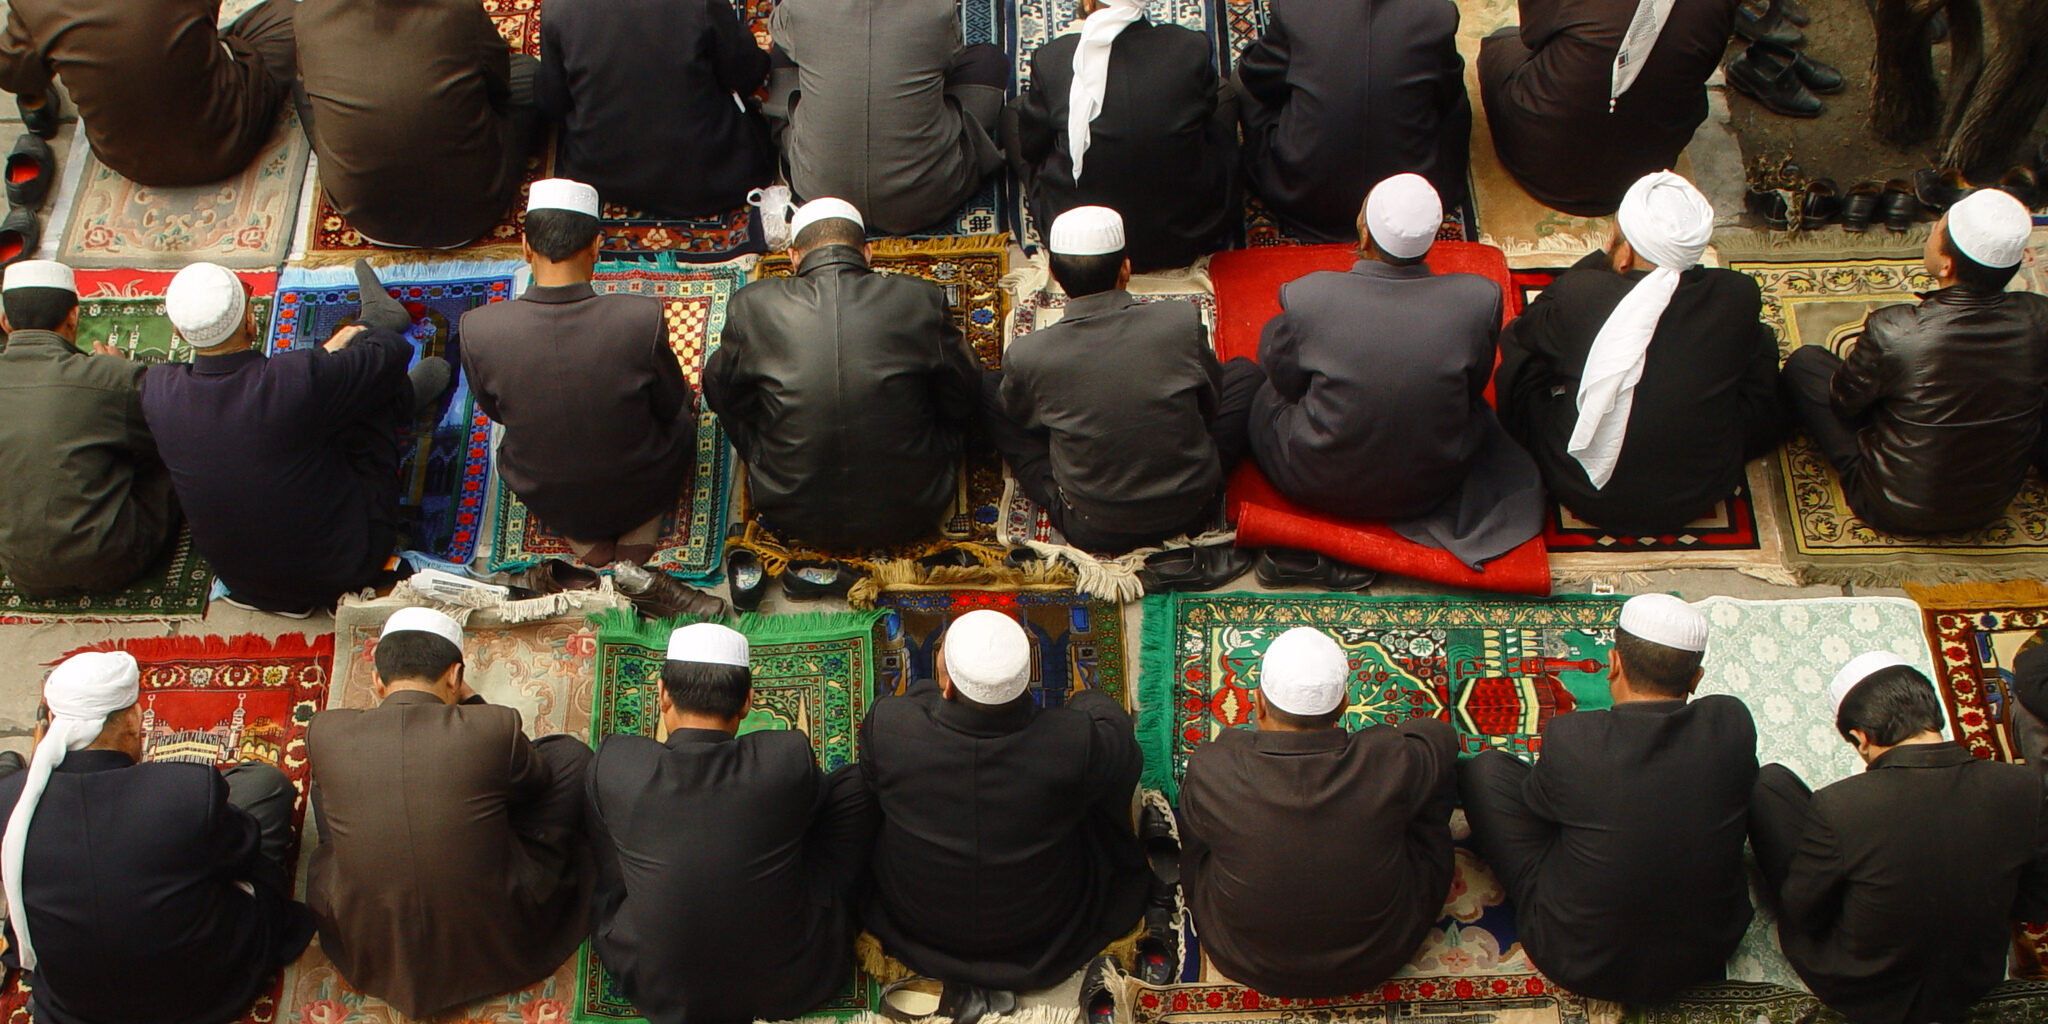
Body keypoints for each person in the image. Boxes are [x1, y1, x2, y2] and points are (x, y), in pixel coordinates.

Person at [1459, 594, 1757, 1004]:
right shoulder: (1732, 721)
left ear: (1613, 663)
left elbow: (1538, 807)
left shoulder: (1574, 738)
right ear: (1696, 679)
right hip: (1705, 951)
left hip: (1575, 957)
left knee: (1486, 772)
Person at [859, 610, 1148, 1019]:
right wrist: (1088, 700)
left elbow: (871, 784)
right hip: (1044, 931)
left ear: (947, 687)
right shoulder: (1073, 739)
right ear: (1026, 681)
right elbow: (1123, 751)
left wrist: (927, 691)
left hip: (918, 926)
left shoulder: (889, 726)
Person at [306, 608, 594, 1017]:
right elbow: (534, 783)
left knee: (330, 785)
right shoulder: (493, 727)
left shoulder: (325, 731)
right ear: (455, 676)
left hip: (369, 944)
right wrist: (473, 708)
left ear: (376, 681)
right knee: (567, 757)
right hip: (501, 938)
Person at [586, 623, 879, 1024]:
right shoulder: (786, 756)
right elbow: (815, 813)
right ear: (747, 702)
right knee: (854, 786)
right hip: (792, 982)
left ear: (662, 694)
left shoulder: (617, 764)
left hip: (659, 989)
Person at [0, 651, 314, 1024]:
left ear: (54, 721)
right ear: (133, 719)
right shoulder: (186, 789)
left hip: (73, 1007)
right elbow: (243, 853)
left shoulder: (10, 801)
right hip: (199, 995)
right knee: (264, 785)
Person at [1247, 174, 1543, 568]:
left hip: (1313, 480)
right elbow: (1474, 388)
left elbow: (1284, 382)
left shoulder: (1310, 296)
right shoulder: (1477, 299)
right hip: (1430, 485)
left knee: (1259, 383)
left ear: (1365, 235)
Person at [1749, 654, 2048, 1024]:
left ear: (1861, 738)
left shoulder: (1842, 805)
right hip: (1972, 980)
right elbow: (2036, 903)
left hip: (1863, 987)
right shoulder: (2022, 787)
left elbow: (1803, 911)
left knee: (1770, 785)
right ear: (1933, 716)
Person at [140, 261, 449, 616]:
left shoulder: (158, 389)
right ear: (250, 322)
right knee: (355, 393)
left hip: (245, 579)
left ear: (179, 334)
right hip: (350, 563)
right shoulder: (294, 381)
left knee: (312, 404)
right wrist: (366, 330)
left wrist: (324, 358)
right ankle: (400, 397)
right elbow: (392, 352)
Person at [1497, 171, 1784, 536]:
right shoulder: (1737, 295)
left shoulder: (1582, 296)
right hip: (1699, 492)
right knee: (1759, 344)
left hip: (1580, 487)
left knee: (1521, 350)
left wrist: (1594, 269)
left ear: (1625, 252)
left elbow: (1528, 331)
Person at [1182, 628, 1456, 997]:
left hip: (1247, 960)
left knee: (1202, 823)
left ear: (1257, 704)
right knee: (1431, 792)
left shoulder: (1214, 767)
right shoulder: (1389, 758)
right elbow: (1440, 737)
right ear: (1344, 706)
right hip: (1379, 956)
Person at [705, 199, 981, 549]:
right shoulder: (918, 297)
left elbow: (719, 389)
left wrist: (763, 432)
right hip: (914, 508)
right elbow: (966, 389)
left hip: (788, 509)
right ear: (867, 253)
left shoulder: (751, 305)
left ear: (793, 257)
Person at [984, 207, 1261, 553]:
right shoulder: (1178, 321)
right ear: (1126, 269)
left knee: (989, 391)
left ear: (1053, 274)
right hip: (1192, 510)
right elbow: (1210, 402)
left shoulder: (1030, 354)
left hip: (1093, 527)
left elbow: (1024, 418)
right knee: (1245, 375)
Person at [1780, 187, 2048, 535]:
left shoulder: (1896, 329)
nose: (1931, 229)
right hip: (1989, 508)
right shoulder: (2040, 318)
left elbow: (1846, 406)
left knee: (1806, 365)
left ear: (1947, 263)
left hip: (1890, 508)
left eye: (1937, 229)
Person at [461, 180, 696, 567]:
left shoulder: (479, 328)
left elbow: (497, 412)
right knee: (685, 418)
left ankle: (580, 532)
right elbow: (671, 404)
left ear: (525, 247)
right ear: (596, 247)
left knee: (510, 442)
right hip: (642, 484)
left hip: (548, 493)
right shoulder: (639, 317)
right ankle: (643, 519)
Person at [294, 0, 544, 248]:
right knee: (528, 73)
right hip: (473, 211)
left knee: (303, 87)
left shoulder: (310, 15)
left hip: (367, 219)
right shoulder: (458, 9)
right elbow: (500, 84)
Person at [1008, 0, 1235, 270]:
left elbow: (1033, 147)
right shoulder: (1191, 46)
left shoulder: (1053, 58)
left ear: (1089, 3)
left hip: (1084, 246)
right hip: (1188, 235)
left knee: (1013, 114)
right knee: (1224, 94)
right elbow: (1207, 109)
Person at [0, 260, 177, 597]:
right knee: (161, 453)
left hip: (24, 572)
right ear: (73, 316)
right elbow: (165, 429)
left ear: (5, 322)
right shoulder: (107, 377)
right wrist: (121, 372)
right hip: (114, 562)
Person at [1234, 0, 1468, 244]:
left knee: (1241, 81)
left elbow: (1257, 77)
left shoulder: (1294, 6)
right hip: (1410, 193)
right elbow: (1446, 96)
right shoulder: (1437, 11)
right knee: (1453, 86)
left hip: (1302, 196)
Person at [765, 0, 1005, 234]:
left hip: (820, 190)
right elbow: (949, 56)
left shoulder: (799, 5)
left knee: (784, 52)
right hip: (926, 198)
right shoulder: (937, 7)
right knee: (988, 60)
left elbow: (778, 27)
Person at [0, 0, 294, 187]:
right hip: (231, 139)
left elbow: (12, 74)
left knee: (39, 48)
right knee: (288, 17)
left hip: (125, 158)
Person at [1480, 0, 1735, 215]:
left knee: (1501, 44)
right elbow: (1703, 67)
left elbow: (1532, 36)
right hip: (1644, 171)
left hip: (1537, 157)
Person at [534, 0, 774, 219]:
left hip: (599, 176)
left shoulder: (558, 7)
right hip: (706, 179)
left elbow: (554, 103)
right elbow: (746, 73)